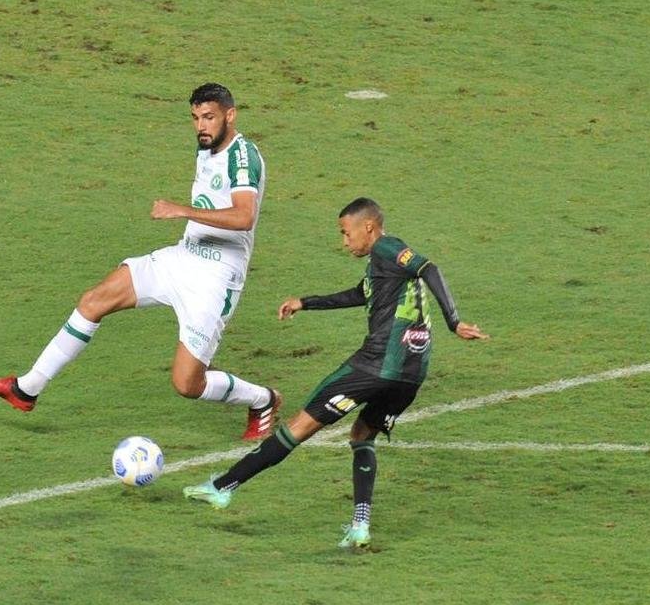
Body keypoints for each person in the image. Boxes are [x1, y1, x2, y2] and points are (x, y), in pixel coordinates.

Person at [0, 83, 281, 440]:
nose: (201, 126)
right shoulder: (207, 147)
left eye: (209, 117)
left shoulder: (243, 156)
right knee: (94, 300)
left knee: (187, 383)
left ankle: (263, 399)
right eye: (195, 118)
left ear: (230, 115)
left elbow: (245, 216)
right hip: (182, 258)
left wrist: (182, 210)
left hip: (215, 278)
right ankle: (27, 389)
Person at [183, 197, 488, 547]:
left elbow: (428, 268)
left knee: (297, 428)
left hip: (375, 366)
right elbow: (362, 294)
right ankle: (360, 526)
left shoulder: (388, 247)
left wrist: (455, 321)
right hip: (411, 373)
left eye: (346, 233)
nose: (345, 242)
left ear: (368, 227)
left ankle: (223, 488)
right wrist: (306, 302)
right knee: (361, 436)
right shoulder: (382, 268)